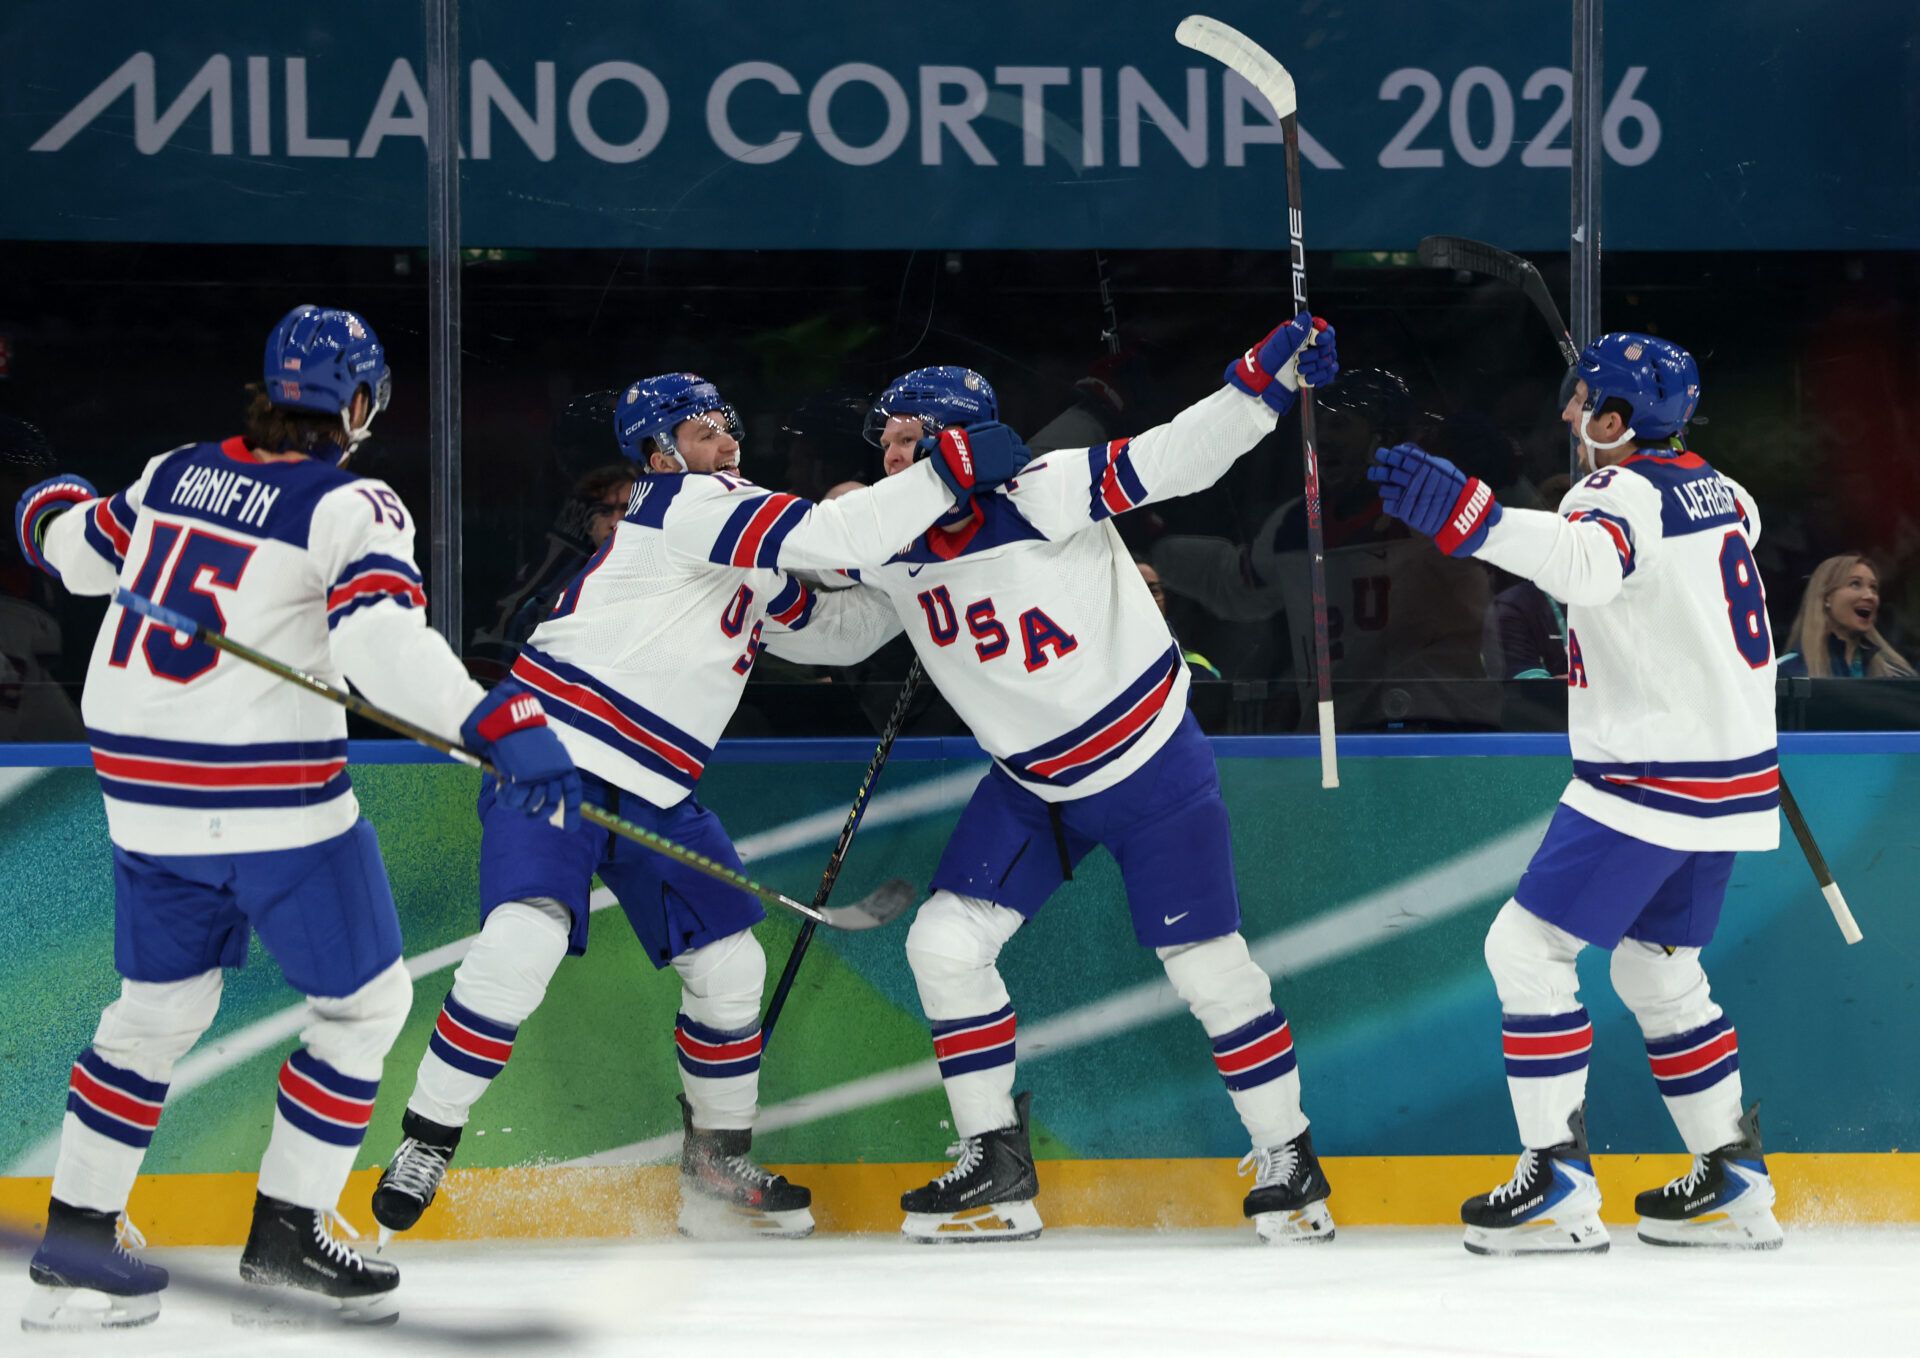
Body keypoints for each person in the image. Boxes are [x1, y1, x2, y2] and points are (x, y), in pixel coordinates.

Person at [9, 305, 580, 1328]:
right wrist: (497, 717)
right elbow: (381, 647)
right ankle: (284, 1250)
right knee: (361, 1010)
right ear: (359, 403)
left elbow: (76, 551)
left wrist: (41, 497)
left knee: (150, 1017)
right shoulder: (352, 501)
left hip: (144, 796)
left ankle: (76, 1251)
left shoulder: (173, 470)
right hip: (270, 799)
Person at [369, 371, 1026, 1242]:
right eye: (705, 429)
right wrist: (948, 477)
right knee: (520, 942)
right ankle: (427, 1139)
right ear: (659, 450)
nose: (727, 443)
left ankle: (714, 1167)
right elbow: (836, 532)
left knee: (730, 968)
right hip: (558, 755)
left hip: (660, 794)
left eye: (729, 427)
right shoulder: (687, 503)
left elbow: (840, 630)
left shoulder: (739, 550)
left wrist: (921, 577)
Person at [852, 312, 1343, 1244]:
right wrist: (758, 605)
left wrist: (1268, 377)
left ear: (957, 441)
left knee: (1209, 970)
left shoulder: (1045, 487)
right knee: (944, 946)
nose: (890, 460)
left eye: (907, 440)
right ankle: (995, 1164)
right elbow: (838, 632)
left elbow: (1182, 454)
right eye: (885, 444)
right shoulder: (886, 545)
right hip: (1033, 785)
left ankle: (1291, 1158)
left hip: (1149, 765)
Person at [1369, 332, 1785, 1254]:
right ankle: (1733, 1178)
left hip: (1650, 775)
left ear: (1616, 420)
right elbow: (1700, 554)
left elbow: (1588, 563)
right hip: (1731, 773)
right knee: (1658, 968)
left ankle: (1555, 1182)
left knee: (1524, 951)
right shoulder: (1725, 489)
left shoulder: (1616, 490)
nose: (1566, 415)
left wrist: (1476, 519)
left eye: (1582, 399)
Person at [1777, 552, 1915, 678]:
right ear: (1827, 598)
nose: (1870, 596)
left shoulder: (1895, 676)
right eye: (1855, 584)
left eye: (1873, 588)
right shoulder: (1785, 671)